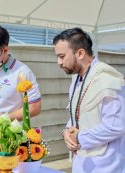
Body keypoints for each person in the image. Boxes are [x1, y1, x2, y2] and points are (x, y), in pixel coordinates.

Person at [53, 28, 125, 173]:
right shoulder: (77, 79)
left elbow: (116, 126)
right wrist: (67, 132)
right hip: (82, 162)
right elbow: (79, 113)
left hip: (106, 166)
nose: (58, 62)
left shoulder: (108, 80)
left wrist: (79, 136)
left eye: (62, 56)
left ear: (80, 53)